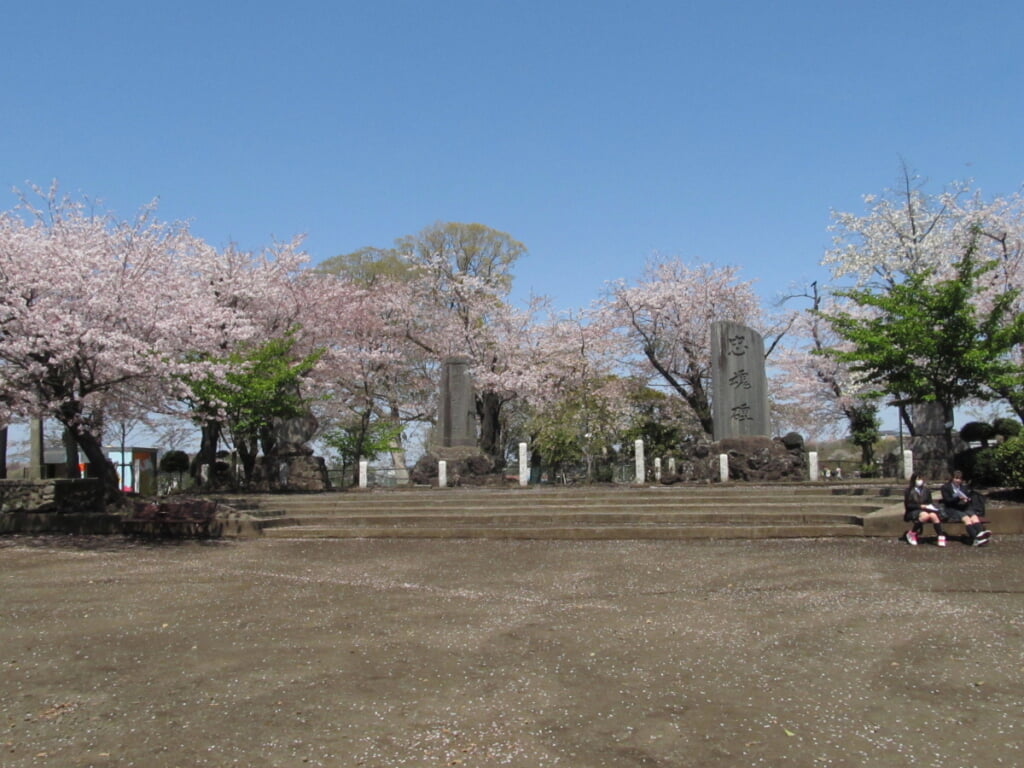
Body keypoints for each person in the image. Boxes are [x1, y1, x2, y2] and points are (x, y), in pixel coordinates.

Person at [939, 470, 991, 546]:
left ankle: (981, 535)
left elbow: (967, 497)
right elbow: (947, 501)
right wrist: (958, 498)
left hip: (963, 507)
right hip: (951, 509)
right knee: (967, 519)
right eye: (956, 478)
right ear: (952, 478)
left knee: (974, 517)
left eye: (960, 479)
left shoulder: (963, 488)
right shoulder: (945, 487)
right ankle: (976, 539)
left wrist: (967, 500)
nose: (958, 480)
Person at [903, 473, 947, 546]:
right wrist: (920, 506)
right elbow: (908, 505)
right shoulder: (909, 491)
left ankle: (940, 535)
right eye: (918, 479)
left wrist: (929, 506)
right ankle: (912, 533)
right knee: (925, 516)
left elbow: (929, 502)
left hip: (926, 509)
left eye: (921, 479)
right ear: (914, 480)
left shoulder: (926, 490)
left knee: (933, 515)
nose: (920, 481)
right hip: (912, 511)